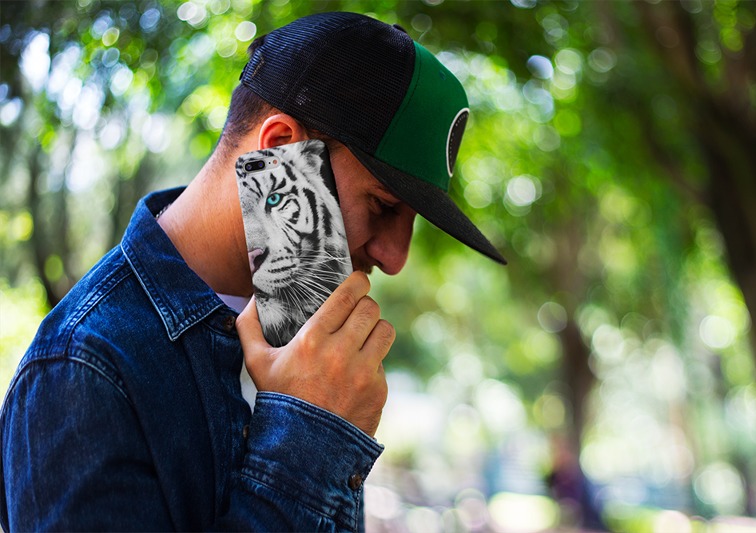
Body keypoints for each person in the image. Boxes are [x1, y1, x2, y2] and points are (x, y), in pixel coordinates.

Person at [0, 11, 506, 531]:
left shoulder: (303, 331)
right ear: (281, 149)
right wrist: (310, 432)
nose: (395, 258)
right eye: (382, 205)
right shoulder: (82, 368)